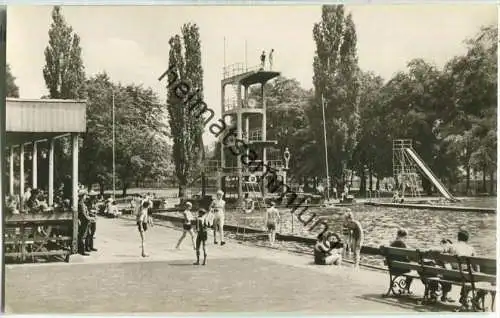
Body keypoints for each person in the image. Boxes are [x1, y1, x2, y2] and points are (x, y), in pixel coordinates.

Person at [389, 228, 413, 293]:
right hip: (401, 269)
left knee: (409, 265)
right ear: (404, 236)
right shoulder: (403, 244)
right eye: (406, 237)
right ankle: (406, 287)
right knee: (411, 269)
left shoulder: (392, 244)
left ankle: (406, 288)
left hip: (392, 268)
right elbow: (406, 257)